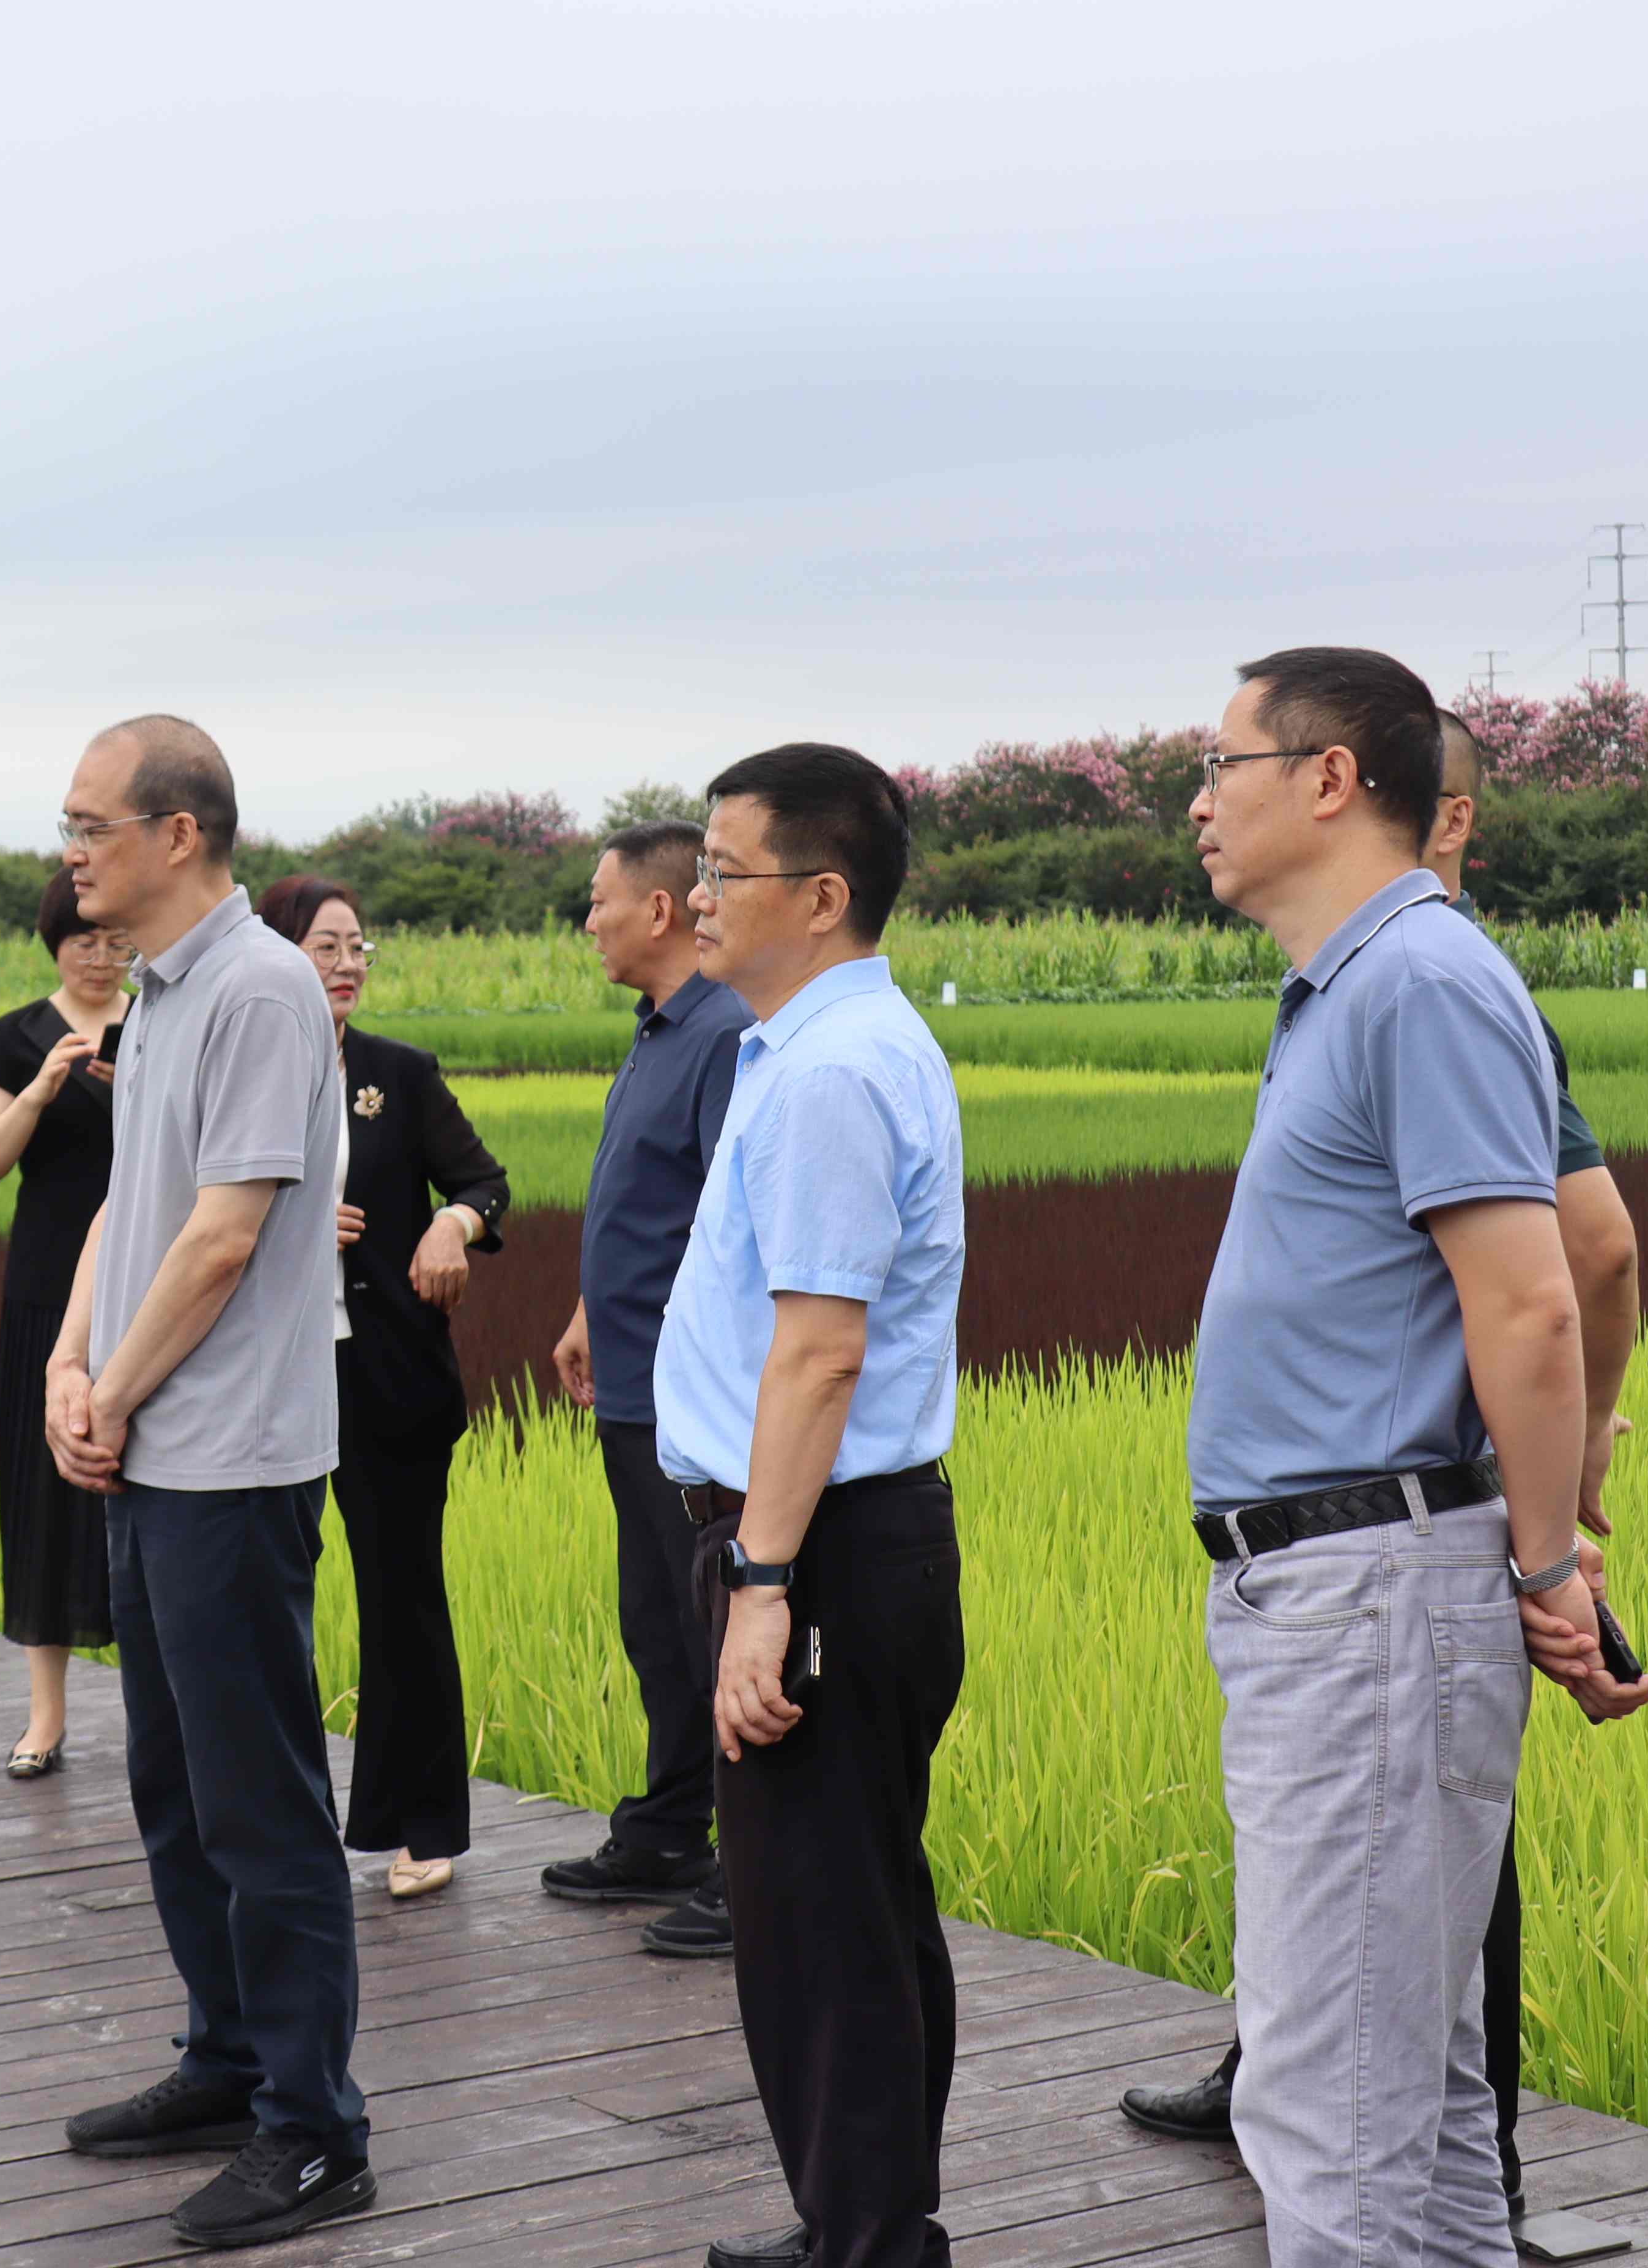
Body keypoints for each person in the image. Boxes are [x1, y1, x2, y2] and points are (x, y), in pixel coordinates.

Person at [1118, 707, 1648, 2236]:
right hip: (1353, 1582)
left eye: (1219, 766)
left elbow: (1537, 1295)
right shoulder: (1357, 984)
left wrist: (1541, 1557)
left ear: (1331, 779)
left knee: (1329, 2113)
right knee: (1419, 2105)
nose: (1197, 802)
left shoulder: (1419, 980)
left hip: (1367, 1599)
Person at [46, 714, 373, 2251]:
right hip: (148, 1447)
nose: (71, 852)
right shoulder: (160, 990)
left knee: (260, 1802)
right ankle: (228, 2058)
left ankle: (314, 2128)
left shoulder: (257, 988)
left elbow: (227, 1234)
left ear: (178, 832)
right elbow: (132, 1207)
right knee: (174, 1787)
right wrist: (72, 1363)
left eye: (90, 823)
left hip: (227, 1460)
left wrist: (110, 1393)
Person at [658, 745, 970, 2268]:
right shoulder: (809, 1046)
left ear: (824, 893)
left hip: (818, 1547)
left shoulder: (833, 1072)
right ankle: (864, 2216)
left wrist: (762, 1583)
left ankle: (872, 2240)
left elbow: (822, 1346)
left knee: (822, 1927)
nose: (696, 896)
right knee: (856, 1901)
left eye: (726, 870)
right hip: (833, 1537)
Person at [253, 872, 509, 1901]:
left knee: (403, 1599)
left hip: (385, 1375)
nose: (348, 963)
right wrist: (292, 1224)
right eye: (327, 947)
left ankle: (423, 1823)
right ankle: (274, 1822)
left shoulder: (397, 1074)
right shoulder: (241, 1070)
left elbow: (485, 1182)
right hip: (266, 1374)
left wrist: (453, 1223)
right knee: (262, 1600)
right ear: (278, 957)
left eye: (358, 947)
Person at [538, 819, 750, 1964]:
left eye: (599, 899)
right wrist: (588, 1309)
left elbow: (726, 1226)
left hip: (689, 1402)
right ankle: (669, 1830)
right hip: (628, 1386)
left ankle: (749, 1867)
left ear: (659, 910)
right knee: (657, 1625)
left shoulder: (720, 1034)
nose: (590, 920)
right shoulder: (661, 1029)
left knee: (712, 1630)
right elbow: (646, 1201)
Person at [0, 867, 127, 1774]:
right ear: (54, 945)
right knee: (43, 1494)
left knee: (145, 1490)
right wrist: (40, 1089)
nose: (100, 958)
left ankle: (160, 1713)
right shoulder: (17, 1036)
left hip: (149, 1287)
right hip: (45, 1289)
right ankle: (46, 1718)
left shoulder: (160, 1023)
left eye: (114, 941)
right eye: (81, 942)